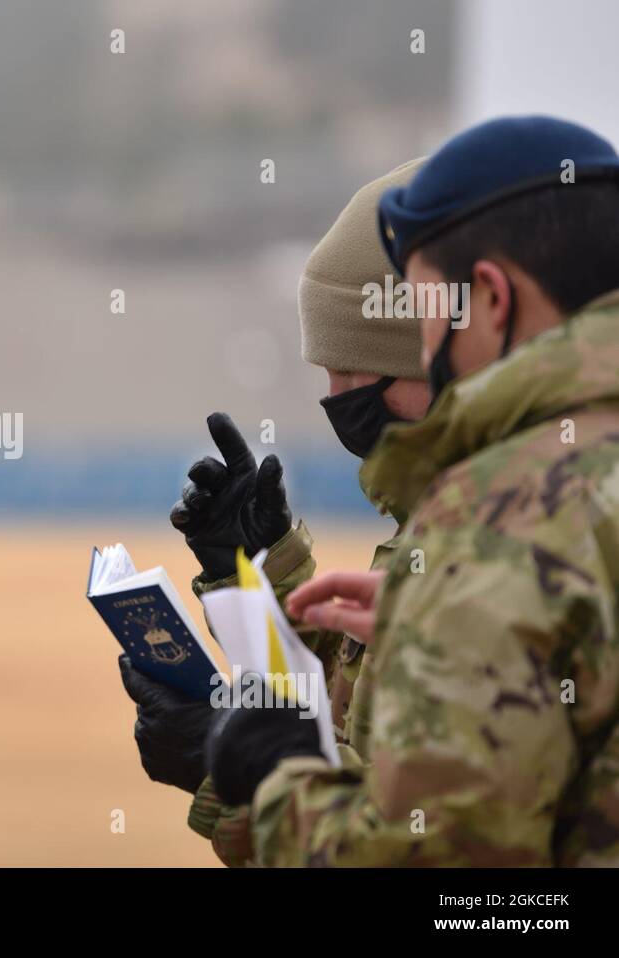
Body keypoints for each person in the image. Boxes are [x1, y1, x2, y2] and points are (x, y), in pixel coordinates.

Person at [208, 115, 619, 866]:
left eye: (426, 326)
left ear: (491, 301)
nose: (337, 396)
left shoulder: (513, 521)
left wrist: (272, 782)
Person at [119, 158, 428, 866]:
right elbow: (364, 710)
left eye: (358, 368)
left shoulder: (522, 536)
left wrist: (235, 770)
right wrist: (260, 574)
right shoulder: (451, 518)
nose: (336, 394)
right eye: (326, 368)